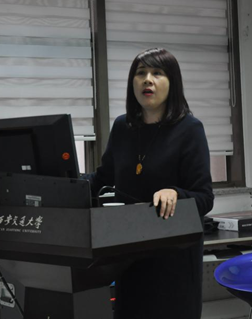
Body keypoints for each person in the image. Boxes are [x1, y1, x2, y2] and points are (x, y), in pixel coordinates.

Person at [84, 47, 214, 319]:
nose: (147, 80)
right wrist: (62, 184)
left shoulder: (189, 129)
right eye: (141, 73)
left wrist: (175, 193)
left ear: (172, 82)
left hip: (173, 262)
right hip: (128, 255)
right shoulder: (123, 128)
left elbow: (204, 197)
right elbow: (102, 180)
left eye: (157, 73)